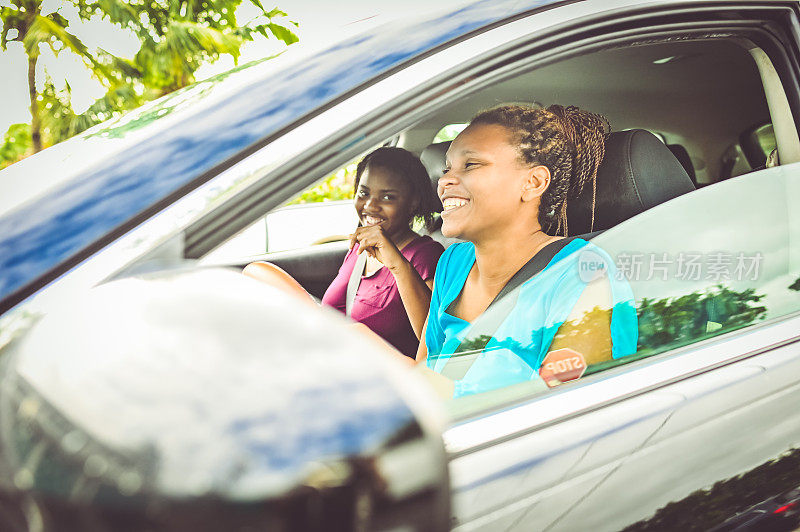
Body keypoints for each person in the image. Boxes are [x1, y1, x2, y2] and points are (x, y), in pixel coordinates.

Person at [417, 105, 638, 398]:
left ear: (533, 183)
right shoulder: (452, 262)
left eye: (470, 165)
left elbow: (574, 405)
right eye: (447, 169)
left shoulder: (583, 271)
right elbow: (427, 367)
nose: (444, 181)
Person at [317, 147, 444, 357]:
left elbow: (432, 340)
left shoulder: (426, 256)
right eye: (364, 193)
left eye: (387, 197)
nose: (370, 205)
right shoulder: (360, 247)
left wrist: (398, 266)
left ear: (412, 203)